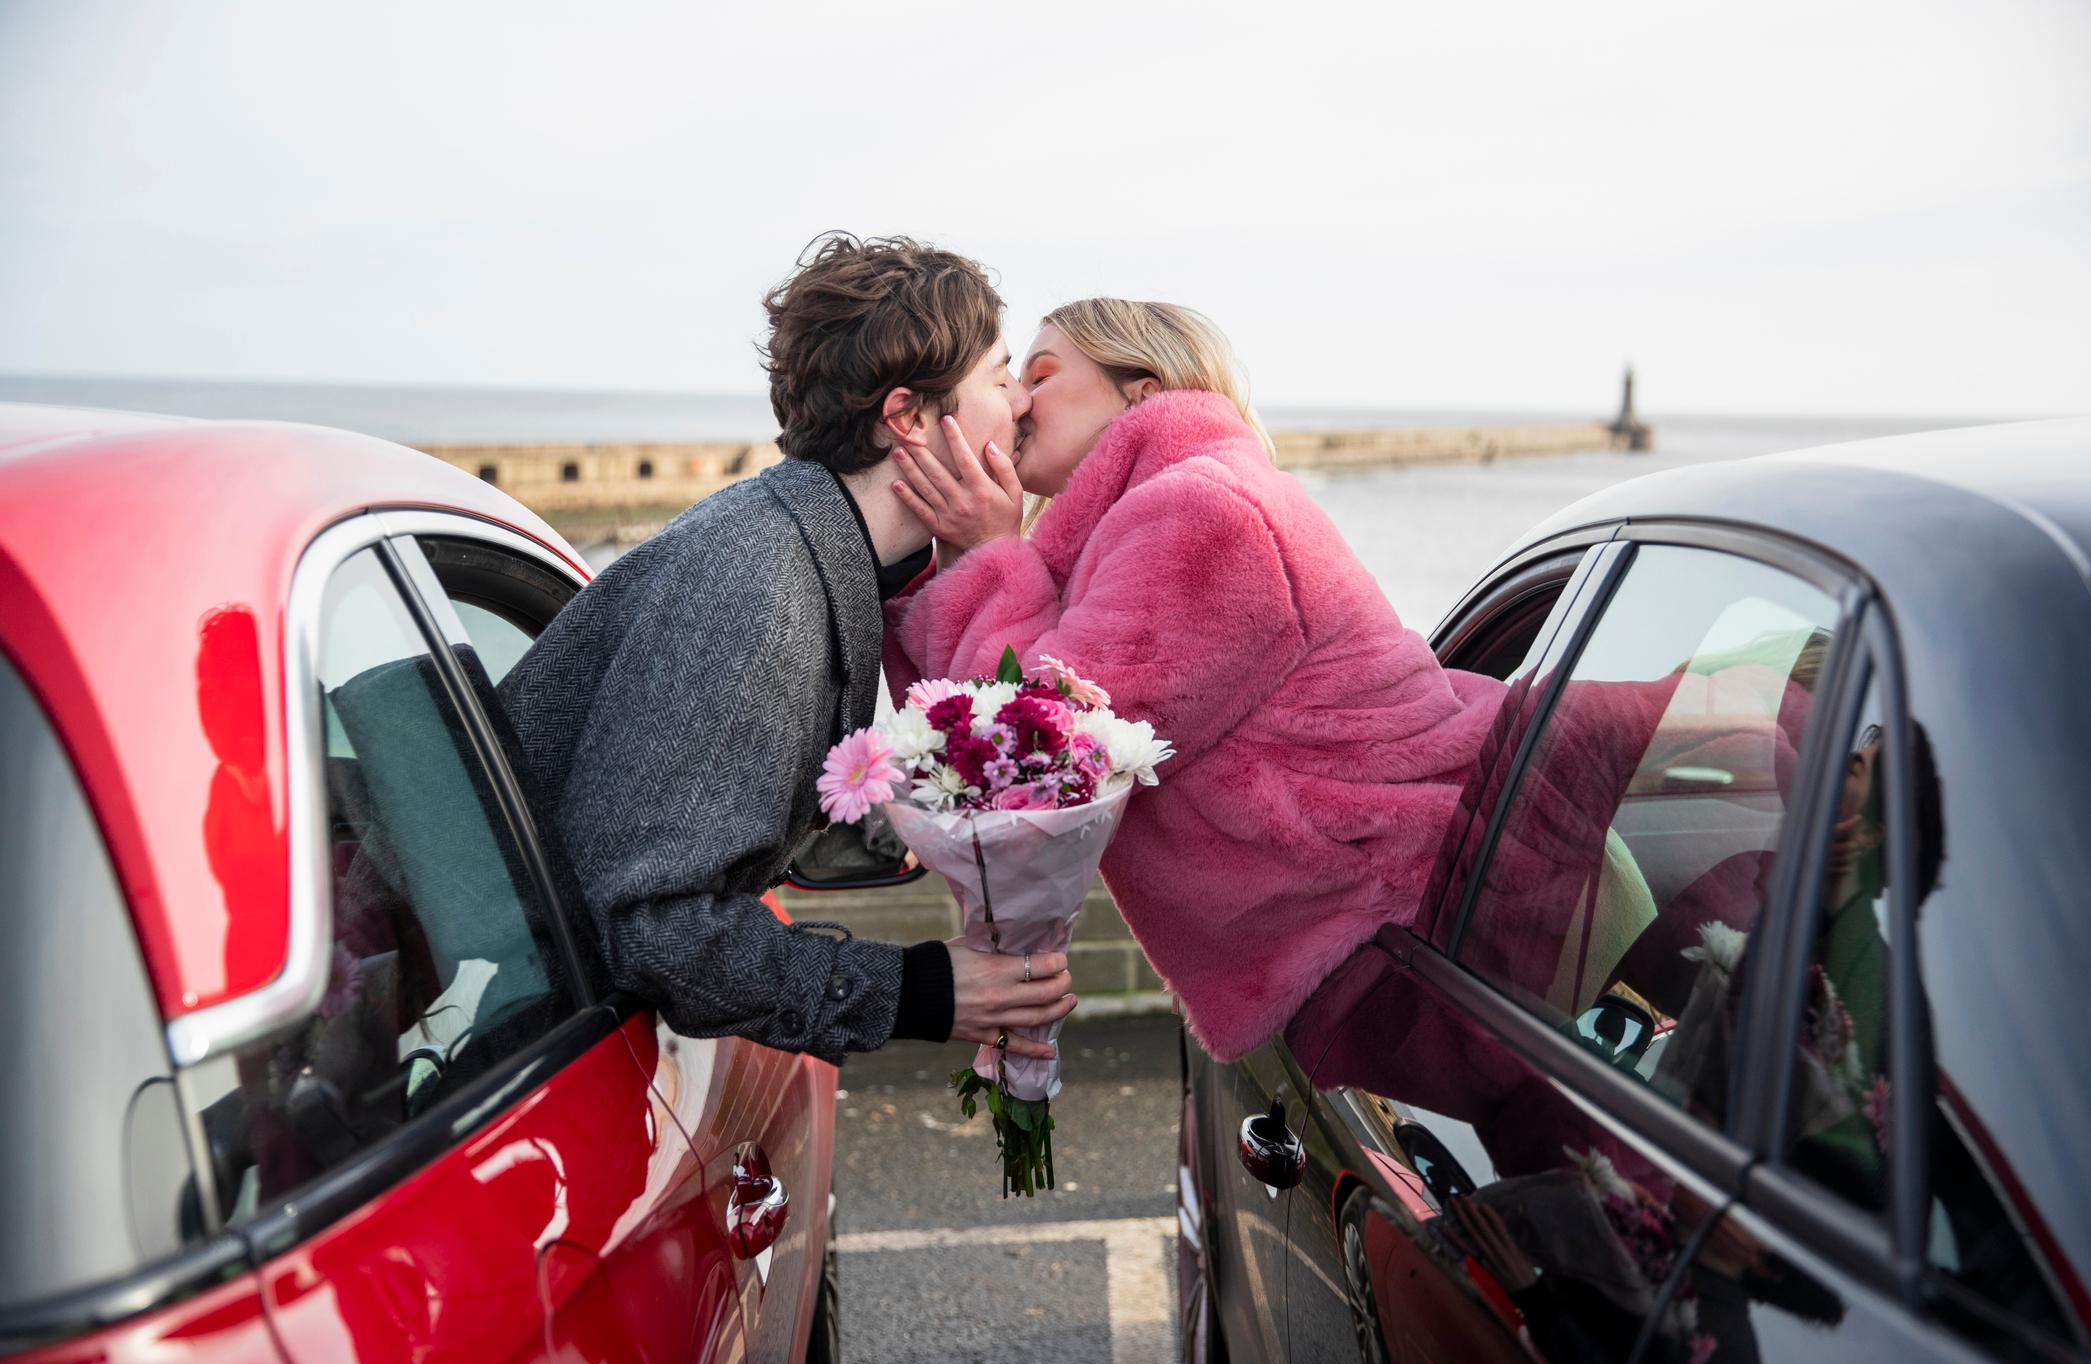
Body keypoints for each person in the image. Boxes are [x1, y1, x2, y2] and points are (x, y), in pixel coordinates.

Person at [499, 234, 1077, 1065]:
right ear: (909, 417)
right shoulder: (760, 589)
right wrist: (917, 989)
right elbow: (651, 924)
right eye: (1000, 376)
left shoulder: (801, 551)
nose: (1022, 403)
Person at [881, 297, 1508, 1062]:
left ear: (1142, 392)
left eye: (1039, 375)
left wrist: (983, 552)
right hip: (1394, 931)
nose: (1015, 400)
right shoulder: (1152, 514)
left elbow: (1042, 750)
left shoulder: (1201, 512)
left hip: (1406, 927)